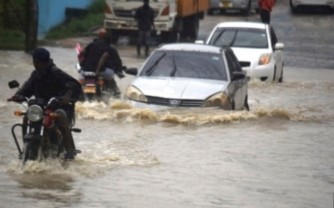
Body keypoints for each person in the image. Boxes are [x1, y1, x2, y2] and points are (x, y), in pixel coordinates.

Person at [8, 48, 83, 159]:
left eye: (34, 60)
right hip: (40, 107)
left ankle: (70, 150)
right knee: (26, 117)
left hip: (59, 106)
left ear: (37, 61)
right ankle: (26, 148)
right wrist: (18, 95)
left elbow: (74, 84)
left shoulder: (55, 72)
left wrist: (66, 96)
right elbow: (27, 88)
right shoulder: (36, 74)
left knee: (60, 115)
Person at [79, 31, 124, 97]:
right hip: (100, 71)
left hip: (86, 70)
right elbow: (114, 60)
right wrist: (119, 70)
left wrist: (82, 64)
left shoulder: (92, 44)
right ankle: (115, 93)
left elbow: (82, 52)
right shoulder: (110, 49)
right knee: (111, 76)